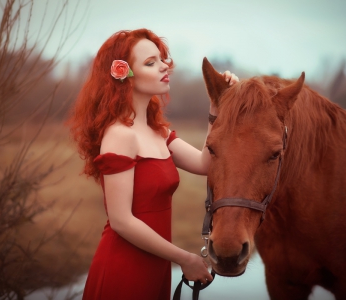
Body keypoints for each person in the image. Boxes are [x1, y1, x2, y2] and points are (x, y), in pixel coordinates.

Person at [67, 28, 239, 300]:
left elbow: (206, 163)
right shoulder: (119, 135)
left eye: (161, 59)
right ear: (124, 76)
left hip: (155, 266)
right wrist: (184, 258)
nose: (164, 66)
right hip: (123, 270)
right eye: (150, 63)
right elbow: (121, 221)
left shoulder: (158, 133)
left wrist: (216, 104)